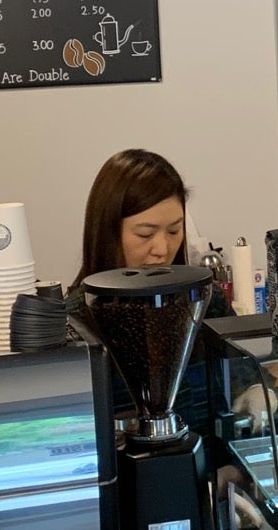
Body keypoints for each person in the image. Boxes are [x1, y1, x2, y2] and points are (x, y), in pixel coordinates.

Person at [68, 148, 227, 426]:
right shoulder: (75, 323)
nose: (162, 249)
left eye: (174, 231)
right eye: (145, 234)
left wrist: (251, 392)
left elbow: (241, 379)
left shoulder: (205, 302)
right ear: (108, 232)